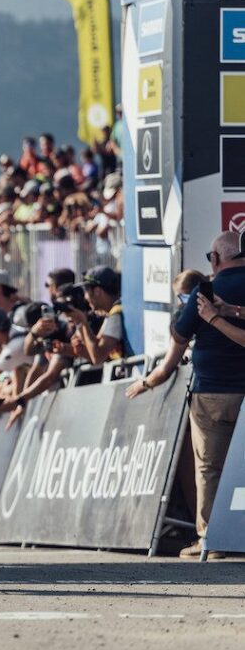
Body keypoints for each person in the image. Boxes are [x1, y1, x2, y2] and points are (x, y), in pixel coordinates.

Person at [128, 231, 245, 558]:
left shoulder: (204, 293)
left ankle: (212, 541)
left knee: (210, 468)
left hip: (213, 394)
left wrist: (147, 382)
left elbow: (175, 348)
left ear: (218, 259)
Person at [64, 266, 130, 365]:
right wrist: (80, 347)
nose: (85, 297)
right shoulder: (112, 313)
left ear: (97, 291)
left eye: (86, 291)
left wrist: (82, 322)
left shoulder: (116, 314)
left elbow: (97, 357)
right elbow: (96, 350)